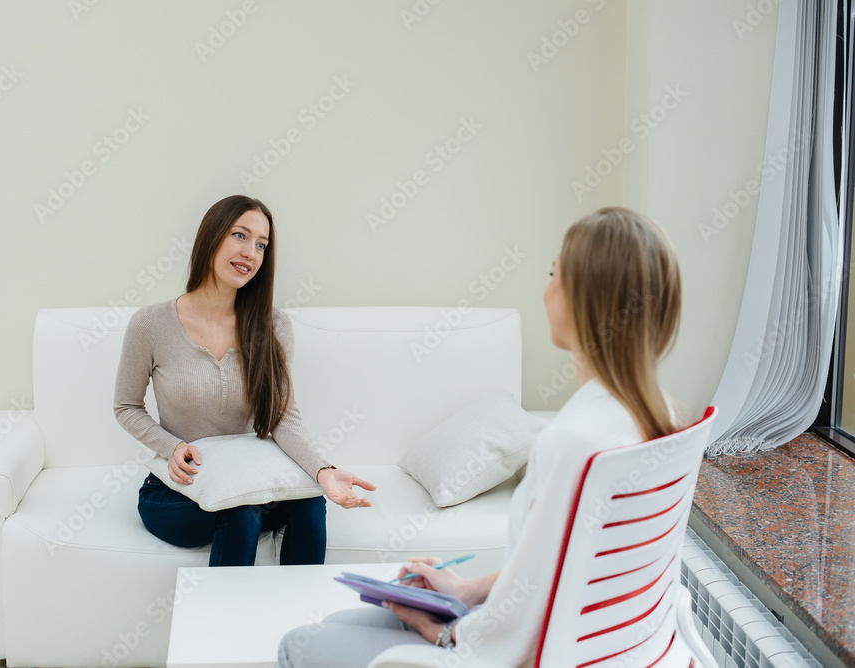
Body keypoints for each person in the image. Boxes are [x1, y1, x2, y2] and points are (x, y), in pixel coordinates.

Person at [277, 206, 685, 666]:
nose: (547, 289)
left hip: (506, 653)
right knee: (334, 626)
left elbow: (516, 631)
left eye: (555, 273)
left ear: (586, 299)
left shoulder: (572, 444)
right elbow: (554, 569)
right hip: (621, 649)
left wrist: (445, 633)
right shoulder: (658, 416)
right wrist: (467, 590)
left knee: (298, 645)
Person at [113, 194, 375, 567]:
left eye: (261, 244)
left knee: (309, 501)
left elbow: (282, 416)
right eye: (240, 235)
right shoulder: (150, 324)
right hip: (177, 491)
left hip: (249, 483)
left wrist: (323, 470)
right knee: (240, 512)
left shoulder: (274, 326)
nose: (251, 252)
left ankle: (300, 617)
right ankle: (226, 623)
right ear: (212, 237)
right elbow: (126, 406)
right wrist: (172, 446)